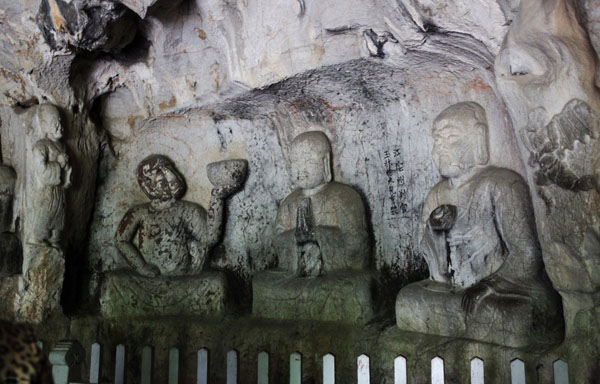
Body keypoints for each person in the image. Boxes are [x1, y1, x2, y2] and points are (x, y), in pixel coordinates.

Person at [395, 102, 563, 347]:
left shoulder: (502, 184)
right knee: (406, 299)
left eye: (451, 136)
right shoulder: (436, 194)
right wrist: (435, 230)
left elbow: (527, 254)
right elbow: (432, 263)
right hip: (456, 291)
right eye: (437, 140)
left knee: (514, 317)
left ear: (477, 139)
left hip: (505, 290)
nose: (440, 147)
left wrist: (490, 285)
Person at [115, 155, 234, 276]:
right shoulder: (139, 212)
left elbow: (210, 238)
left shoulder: (188, 209)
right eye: (163, 182)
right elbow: (121, 240)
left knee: (218, 283)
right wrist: (141, 267)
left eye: (171, 177)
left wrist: (217, 198)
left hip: (183, 280)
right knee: (112, 281)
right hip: (149, 279)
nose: (172, 184)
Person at [273, 130, 369, 276]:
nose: (301, 168)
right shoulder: (289, 203)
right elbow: (277, 242)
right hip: (298, 274)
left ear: (326, 161)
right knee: (264, 283)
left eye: (308, 160)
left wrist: (317, 235)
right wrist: (296, 237)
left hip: (335, 275)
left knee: (358, 288)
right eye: (295, 161)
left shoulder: (344, 196)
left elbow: (358, 244)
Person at [29, 104, 71, 248]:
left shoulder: (63, 146)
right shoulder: (41, 146)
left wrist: (68, 173)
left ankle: (55, 241)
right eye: (55, 123)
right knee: (44, 219)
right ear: (45, 126)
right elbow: (41, 171)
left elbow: (67, 171)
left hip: (60, 192)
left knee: (59, 224)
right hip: (46, 192)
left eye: (61, 122)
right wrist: (59, 164)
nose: (60, 126)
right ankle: (38, 243)